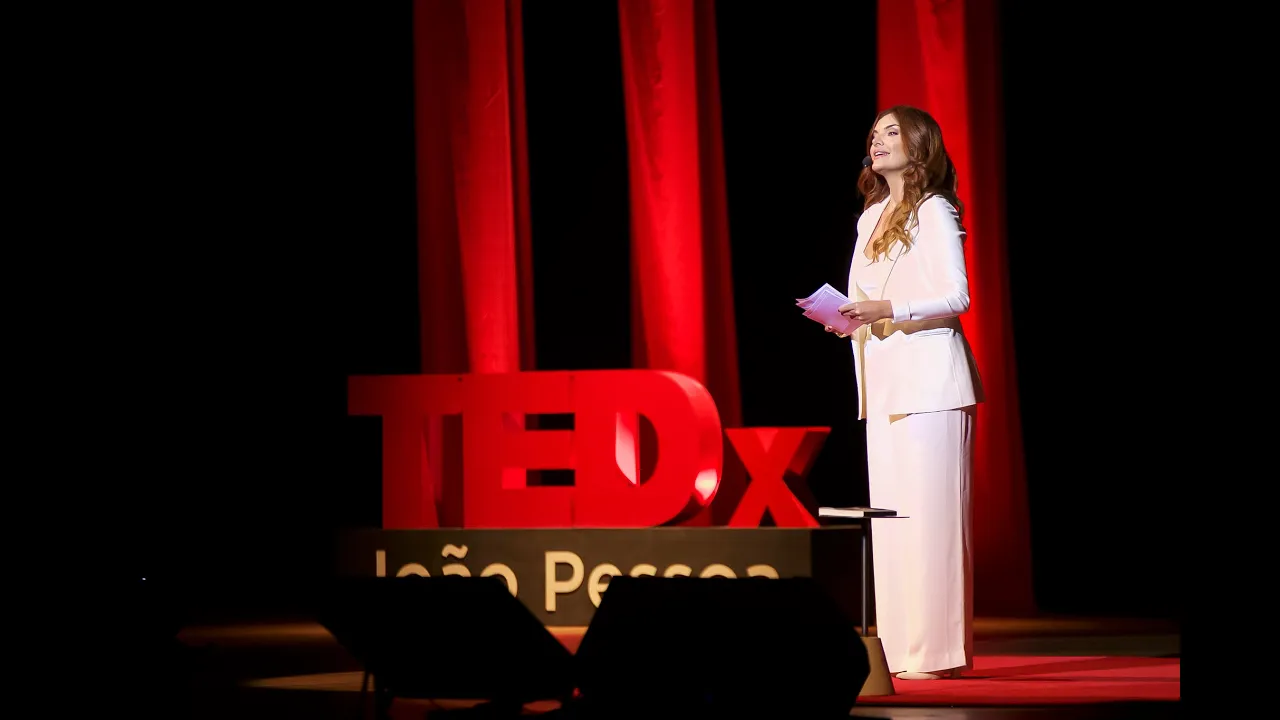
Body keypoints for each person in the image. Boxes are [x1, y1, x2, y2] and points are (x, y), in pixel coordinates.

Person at [826, 105, 984, 680]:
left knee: (932, 519)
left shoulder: (935, 208)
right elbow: (862, 297)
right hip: (885, 381)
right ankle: (896, 649)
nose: (878, 141)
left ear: (919, 145)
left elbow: (957, 296)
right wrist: (845, 317)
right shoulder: (871, 217)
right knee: (891, 521)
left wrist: (889, 308)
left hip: (932, 382)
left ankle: (936, 655)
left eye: (892, 132)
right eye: (874, 134)